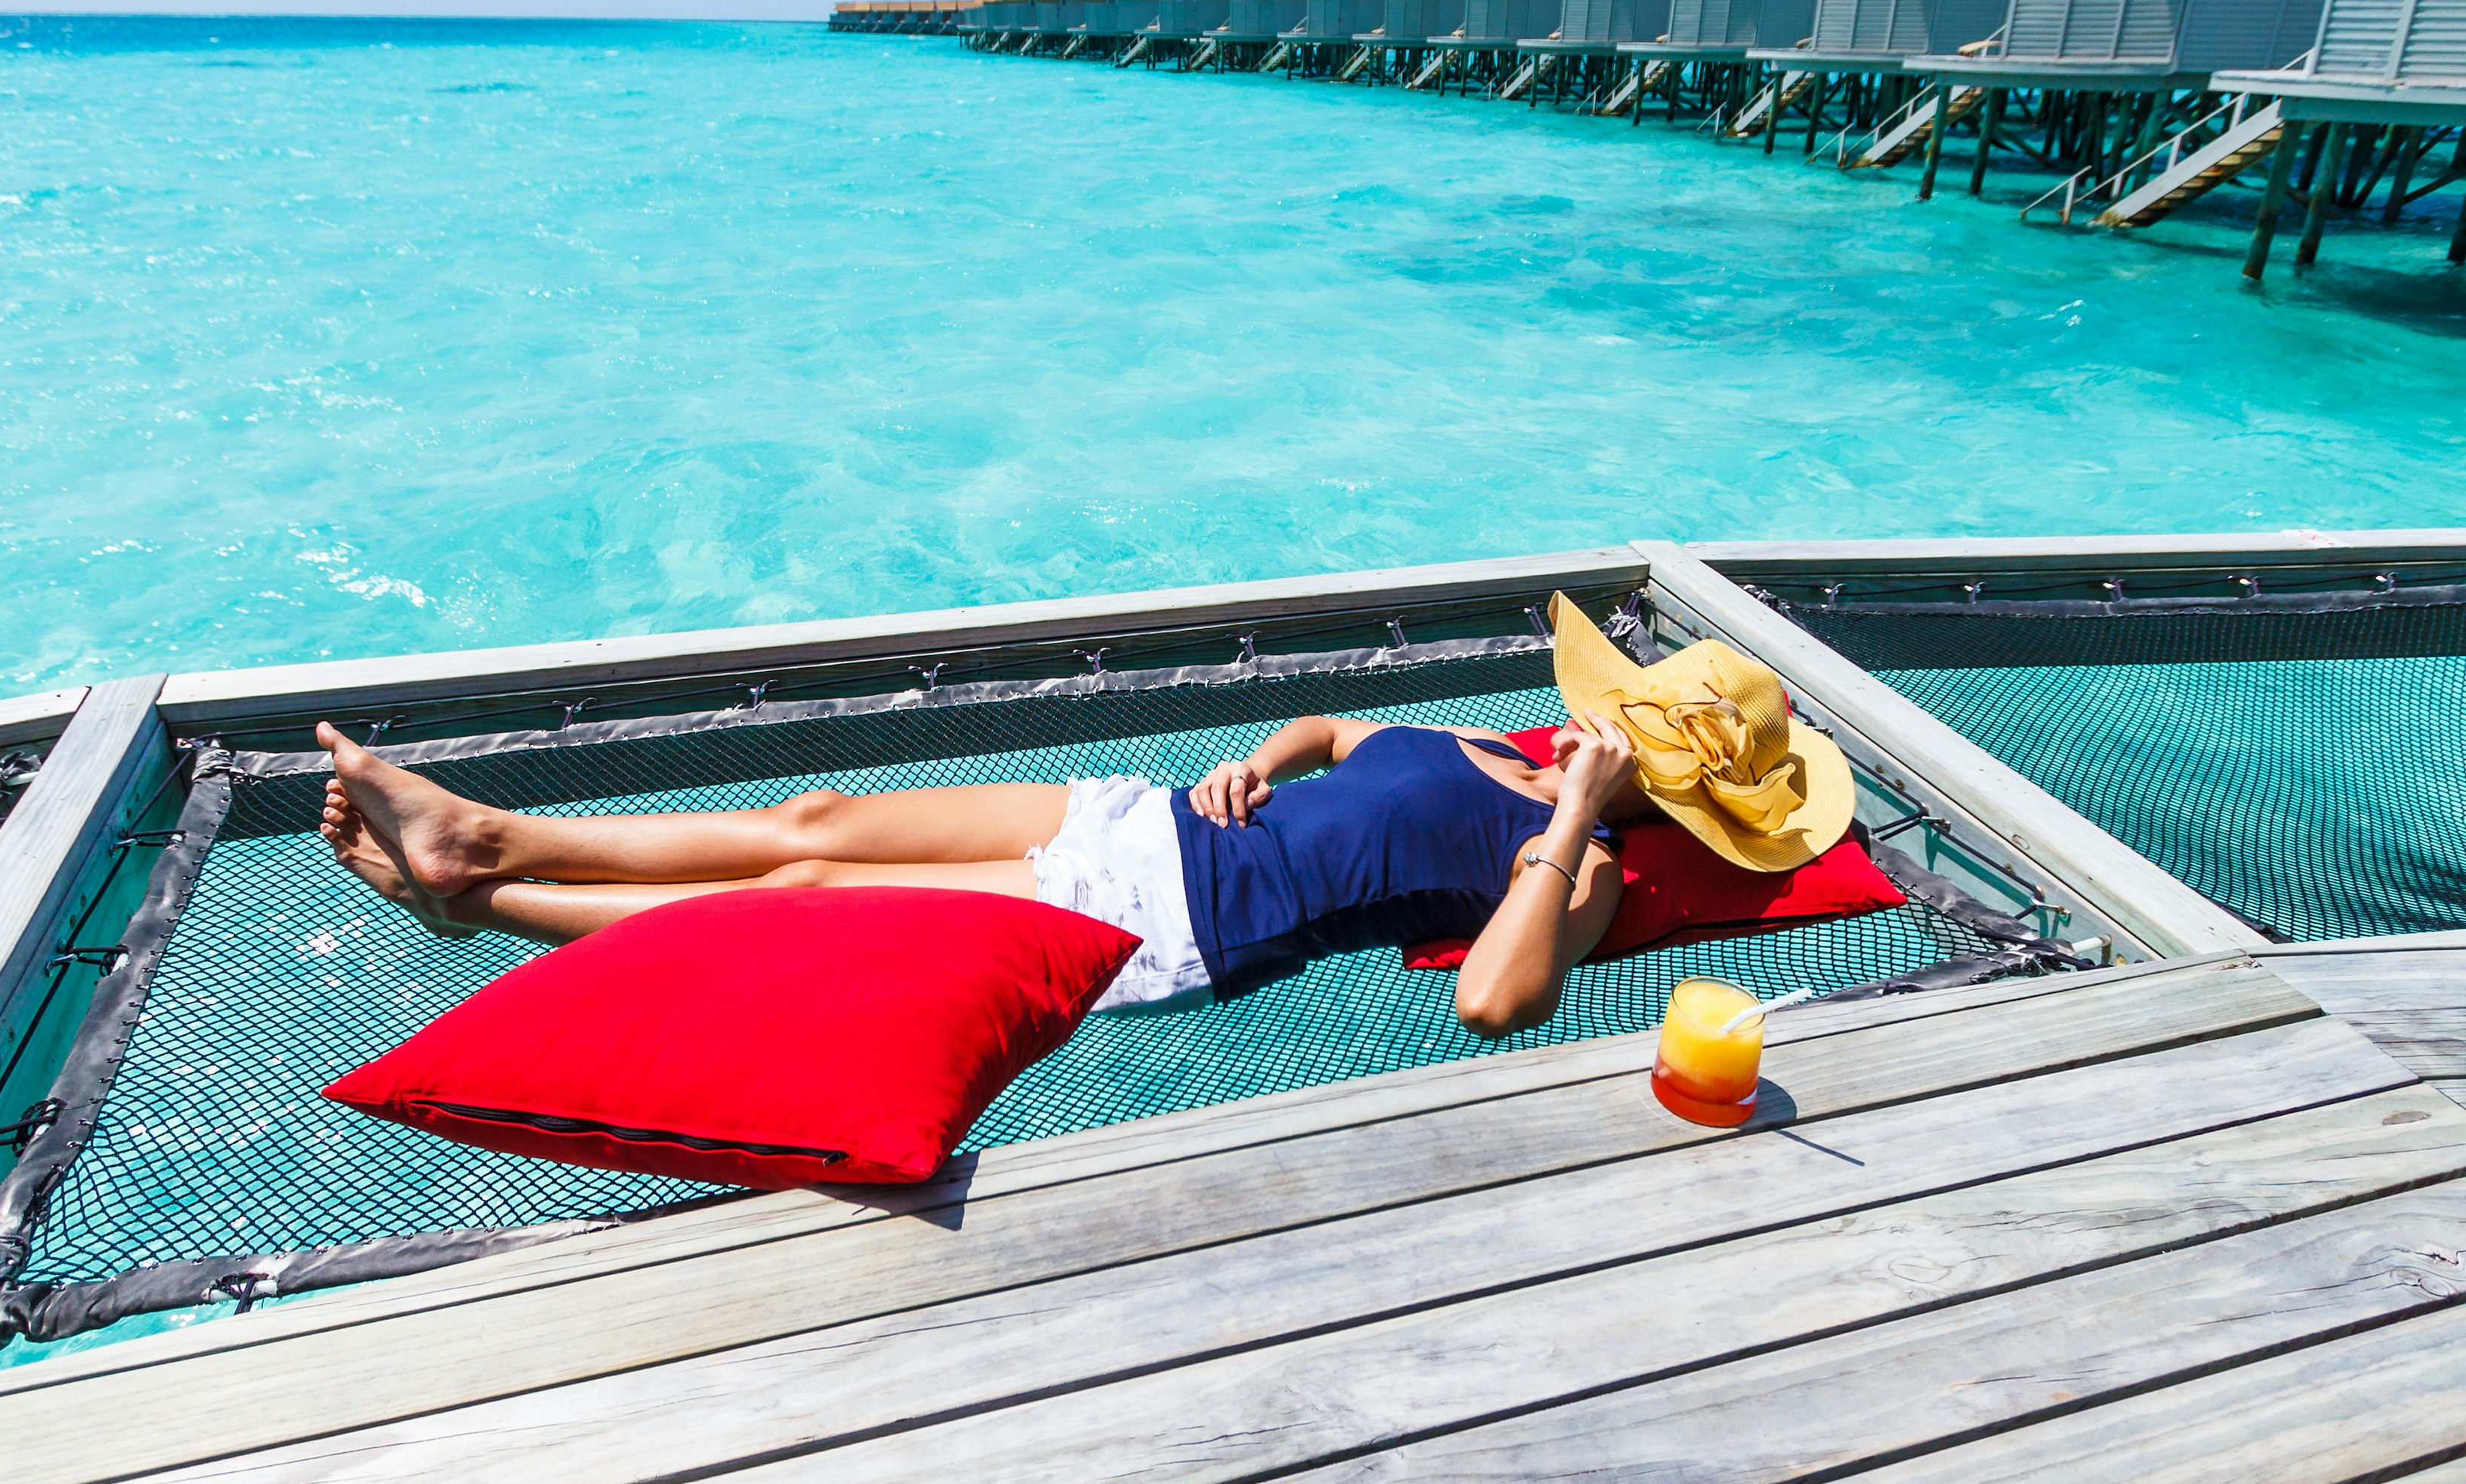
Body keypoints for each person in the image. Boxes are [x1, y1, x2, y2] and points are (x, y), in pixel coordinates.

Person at [316, 594, 1854, 1038]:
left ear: (1669, 779)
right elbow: (1335, 726)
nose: (1599, 718)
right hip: (1152, 819)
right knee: (819, 818)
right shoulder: (1495, 741)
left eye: (1632, 728)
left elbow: (1491, 1001)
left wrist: (1579, 815)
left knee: (796, 916)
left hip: (1172, 921)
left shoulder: (1573, 866)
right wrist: (1270, 748)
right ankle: (494, 837)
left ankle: (481, 881)